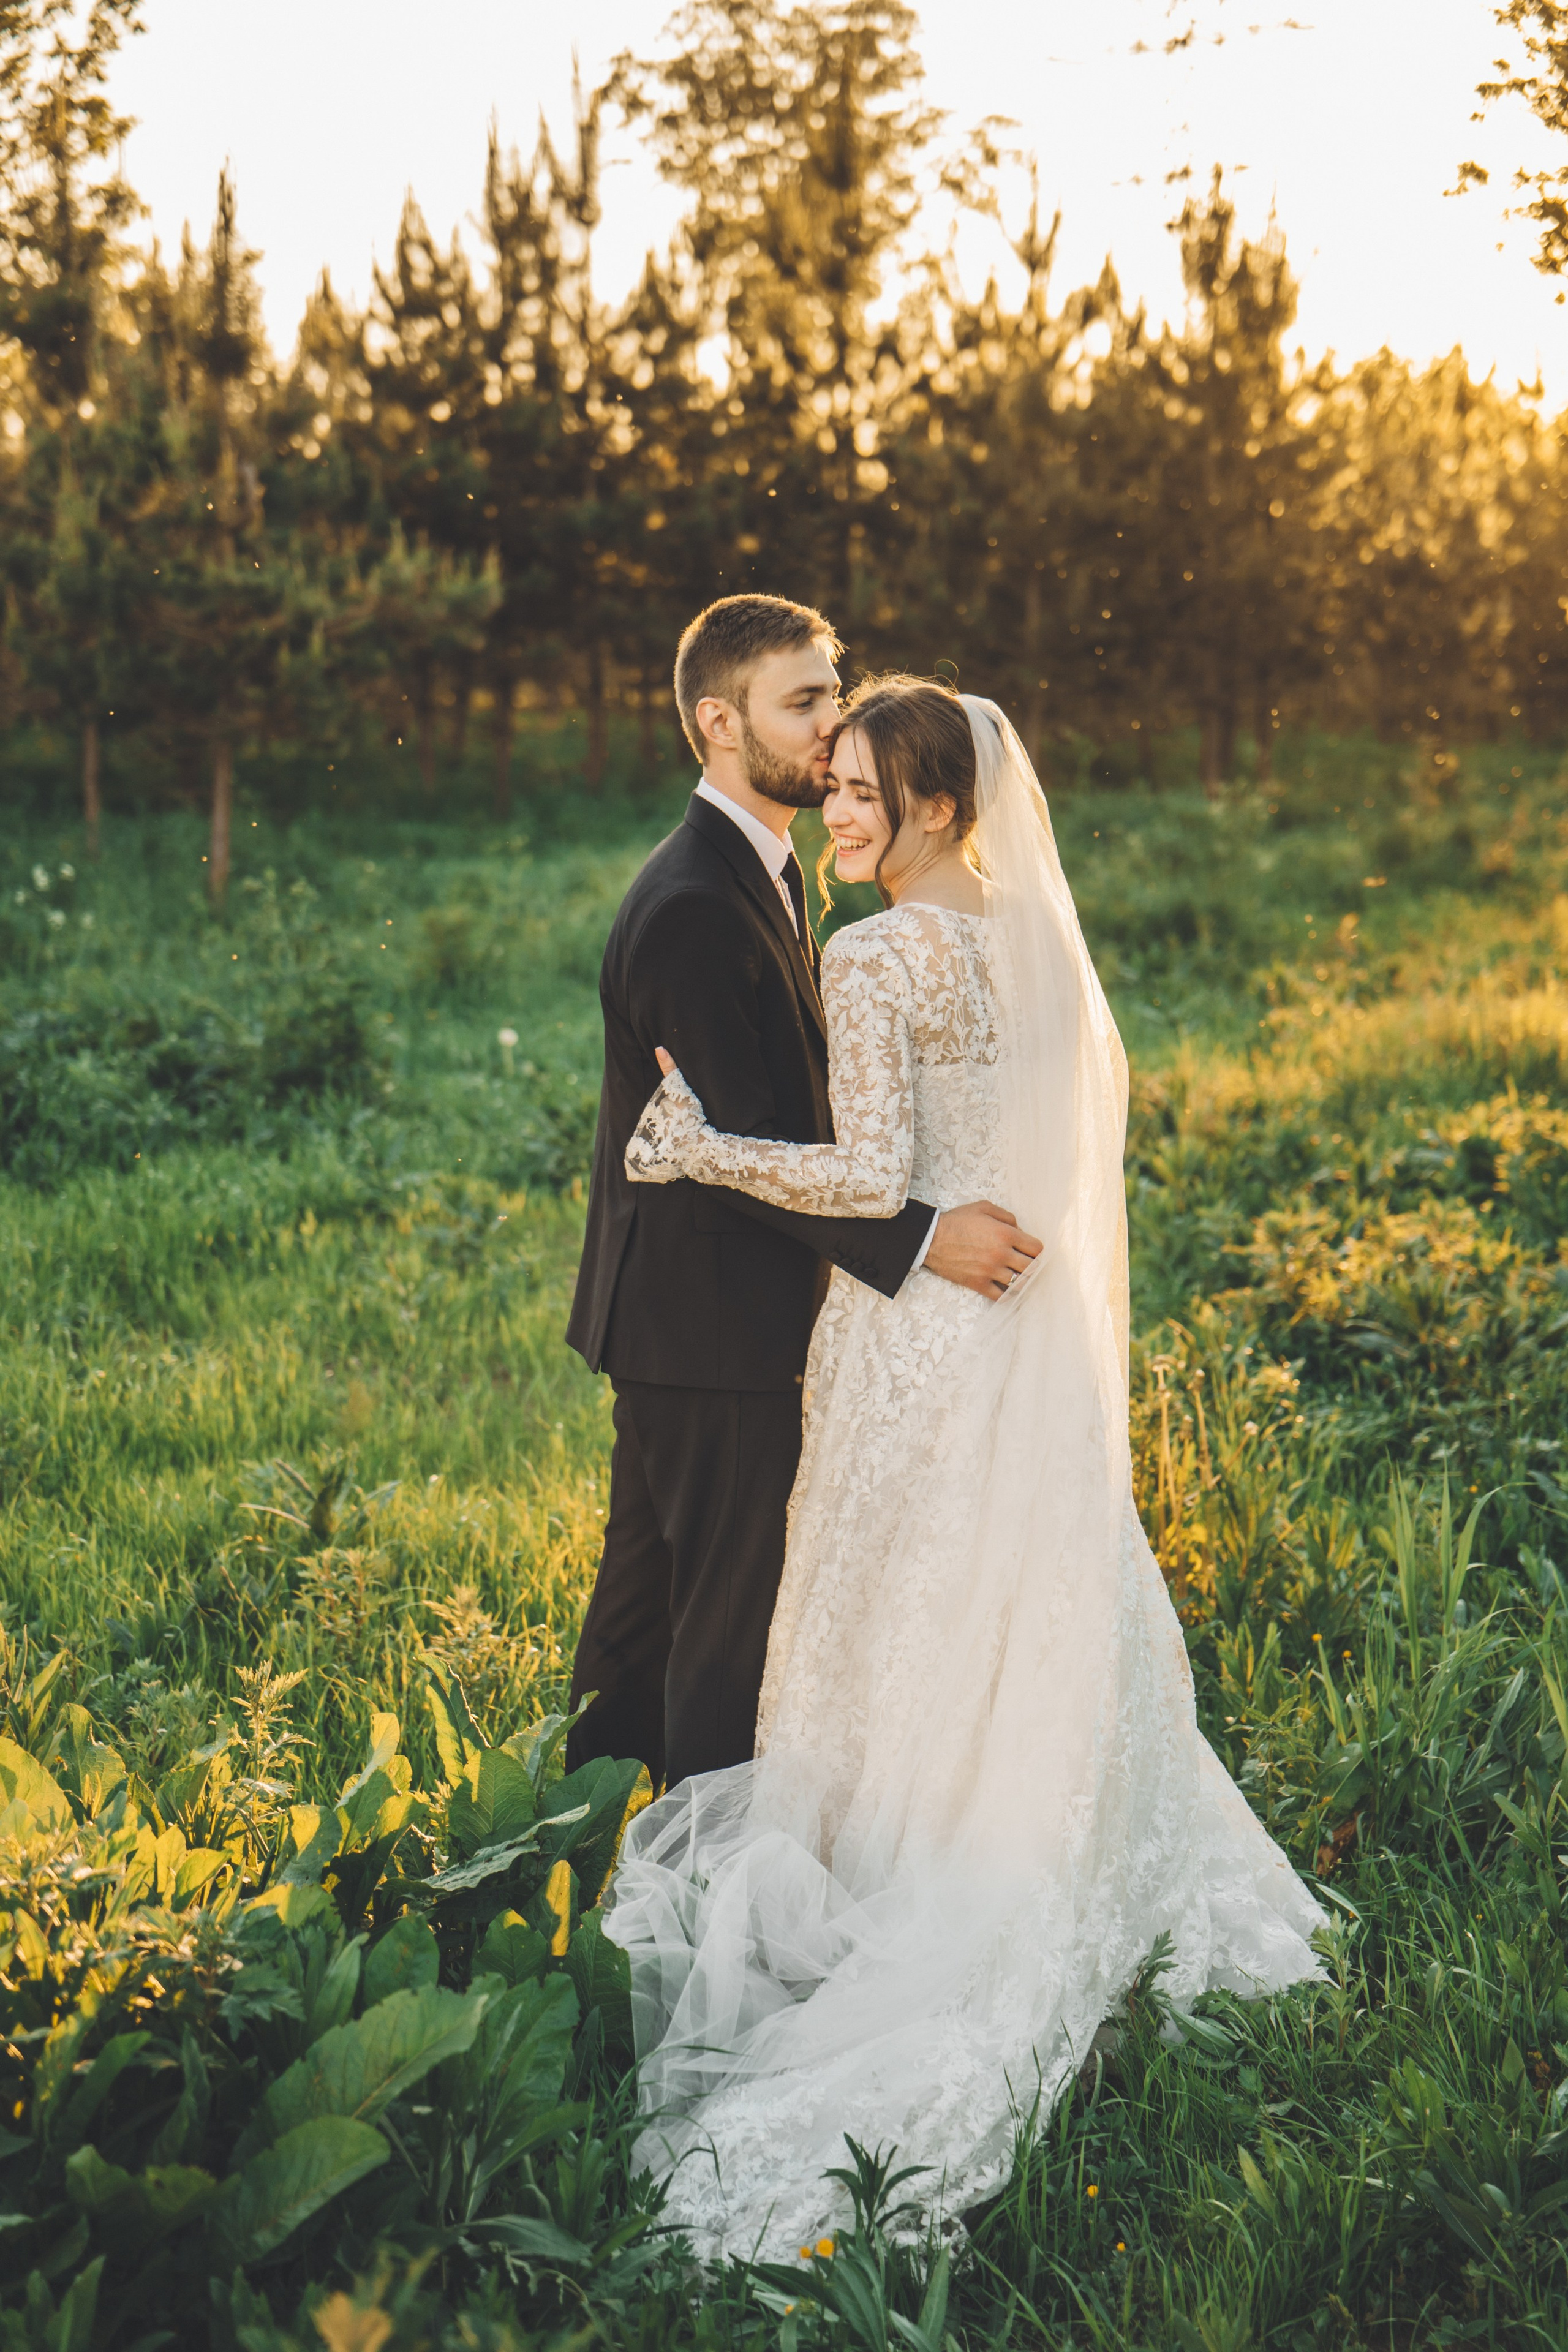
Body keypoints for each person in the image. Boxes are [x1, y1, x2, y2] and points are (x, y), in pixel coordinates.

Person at [607, 675, 1325, 2260]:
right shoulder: (1036, 942)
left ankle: (904, 1879)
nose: (836, 812)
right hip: (1029, 1344)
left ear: (939, 805)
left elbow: (868, 1175)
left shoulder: (875, 956)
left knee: (890, 1611)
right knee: (1018, 1601)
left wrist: (696, 1142)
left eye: (864, 792)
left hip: (921, 1338)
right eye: (833, 781)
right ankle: (1036, 1837)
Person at [563, 597, 1041, 1797]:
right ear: (719, 724)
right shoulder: (688, 908)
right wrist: (921, 1237)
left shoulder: (770, 872)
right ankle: (696, 1884)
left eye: (833, 695)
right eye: (805, 703)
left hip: (694, 1313)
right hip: (707, 1318)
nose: (832, 728)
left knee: (653, 1603)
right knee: (720, 1621)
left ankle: (584, 1838)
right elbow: (749, 1153)